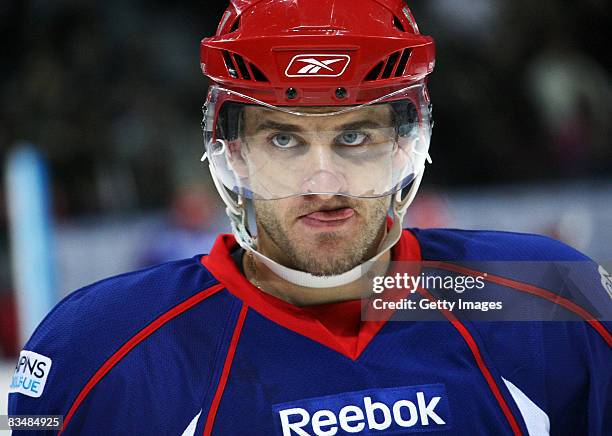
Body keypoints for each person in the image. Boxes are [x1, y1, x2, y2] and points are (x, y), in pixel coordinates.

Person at [8, 1, 611, 435]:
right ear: (233, 150)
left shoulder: (552, 298)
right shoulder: (96, 348)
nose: (323, 183)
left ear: (407, 145)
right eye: (284, 140)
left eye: (355, 135)